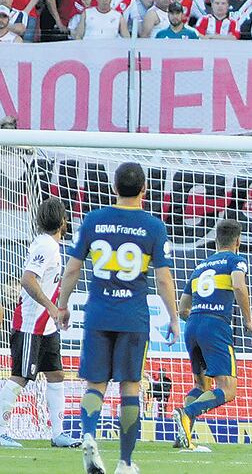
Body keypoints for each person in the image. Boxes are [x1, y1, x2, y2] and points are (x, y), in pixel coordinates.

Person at [56, 162, 180, 474]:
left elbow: (72, 268)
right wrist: (174, 317)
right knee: (130, 387)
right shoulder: (153, 226)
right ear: (144, 190)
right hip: (133, 317)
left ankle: (87, 435)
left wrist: (63, 304)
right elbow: (164, 279)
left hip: (98, 313)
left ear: (114, 188)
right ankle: (125, 462)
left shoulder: (94, 220)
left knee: (95, 385)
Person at [0, 198, 79, 448]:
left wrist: (56, 312)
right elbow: (27, 279)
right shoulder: (45, 246)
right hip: (30, 325)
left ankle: (58, 434)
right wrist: (52, 307)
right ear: (63, 221)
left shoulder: (50, 246)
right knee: (21, 376)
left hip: (46, 327)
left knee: (56, 375)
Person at [173, 220, 252, 451]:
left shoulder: (201, 266)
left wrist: (198, 321)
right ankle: (186, 414)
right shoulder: (236, 260)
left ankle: (183, 435)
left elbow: (182, 308)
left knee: (201, 385)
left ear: (216, 240)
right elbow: (239, 286)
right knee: (228, 389)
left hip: (193, 325)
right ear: (238, 242)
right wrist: (249, 320)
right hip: (215, 325)